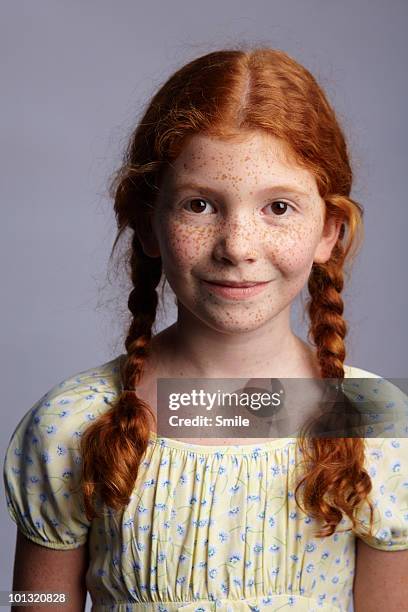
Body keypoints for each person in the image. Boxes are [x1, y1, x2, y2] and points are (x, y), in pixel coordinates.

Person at [3, 46, 408, 612]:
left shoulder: (377, 426)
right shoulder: (74, 423)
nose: (237, 247)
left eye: (279, 208)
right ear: (148, 223)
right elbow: (33, 598)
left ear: (329, 232)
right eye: (199, 205)